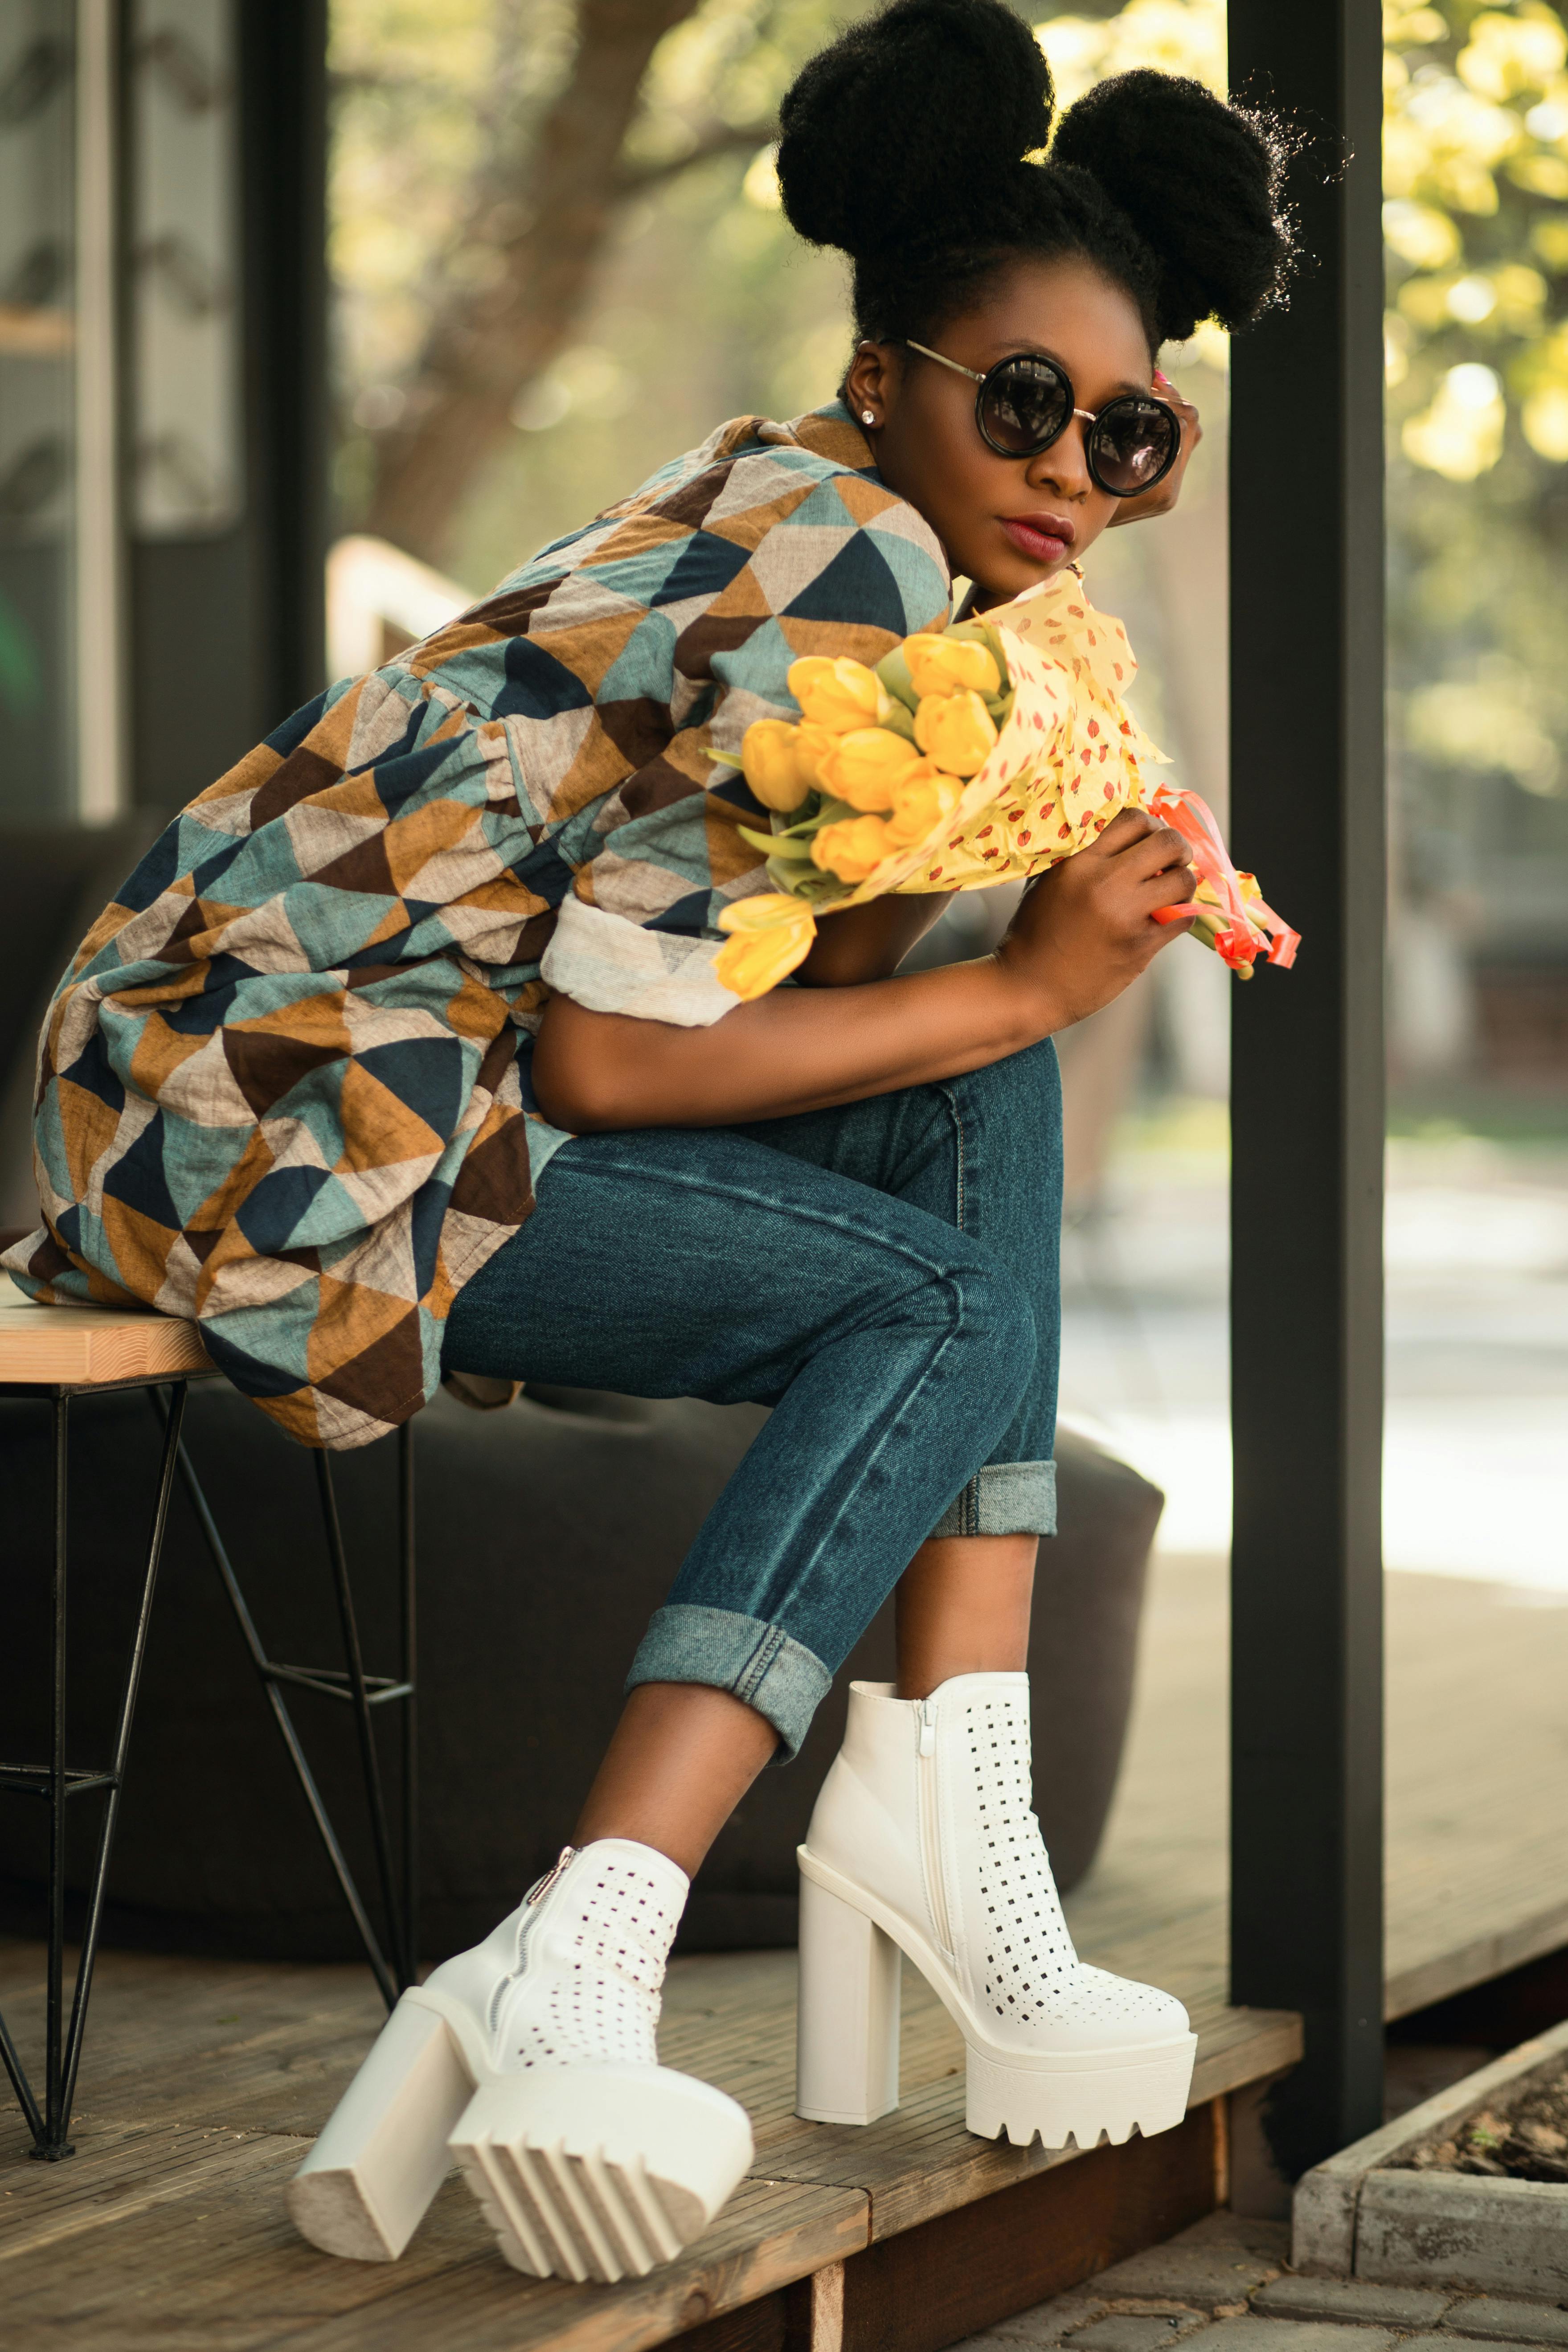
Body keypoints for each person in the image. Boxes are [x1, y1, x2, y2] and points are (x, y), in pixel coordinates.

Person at [3, 0, 1296, 2289]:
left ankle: (941, 1818)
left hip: (220, 1075)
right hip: (296, 1129)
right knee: (938, 1284)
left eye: (1131, 432)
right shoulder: (851, 577)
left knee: (969, 1096)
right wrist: (1033, 974)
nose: (1073, 469)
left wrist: (997, 903)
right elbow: (607, 1073)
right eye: (1022, 399)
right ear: (886, 360)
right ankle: (606, 1927)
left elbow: (781, 994)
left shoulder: (807, 502)